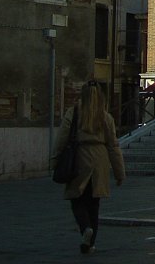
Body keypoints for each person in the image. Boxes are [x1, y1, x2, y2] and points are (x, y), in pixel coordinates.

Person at [51, 81, 125, 254]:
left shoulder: (73, 113)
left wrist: (54, 160)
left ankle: (85, 228)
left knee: (77, 199)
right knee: (94, 204)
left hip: (79, 157)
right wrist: (119, 172)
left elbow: (62, 139)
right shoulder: (106, 117)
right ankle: (90, 244)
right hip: (100, 160)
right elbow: (113, 146)